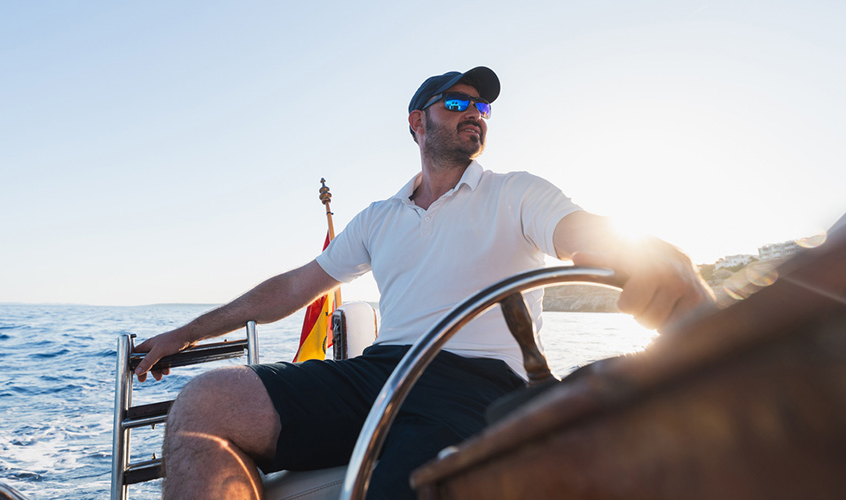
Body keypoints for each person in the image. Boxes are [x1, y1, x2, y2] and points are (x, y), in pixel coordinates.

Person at [133, 66, 716, 499]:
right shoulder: (379, 217)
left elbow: (580, 230)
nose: (475, 114)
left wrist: (646, 252)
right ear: (418, 122)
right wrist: (186, 333)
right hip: (379, 373)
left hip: (479, 384)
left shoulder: (515, 192)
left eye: (483, 109)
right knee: (204, 401)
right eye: (459, 101)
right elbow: (290, 289)